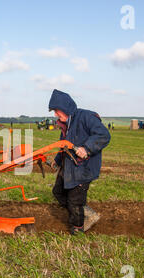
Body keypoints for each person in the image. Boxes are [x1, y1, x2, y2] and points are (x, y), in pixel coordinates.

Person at [48, 89, 111, 235]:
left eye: (57, 111)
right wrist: (57, 160)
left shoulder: (86, 117)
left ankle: (78, 228)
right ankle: (86, 212)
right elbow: (63, 144)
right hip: (69, 166)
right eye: (54, 112)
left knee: (74, 201)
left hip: (83, 168)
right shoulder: (66, 124)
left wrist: (87, 148)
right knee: (58, 192)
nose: (56, 115)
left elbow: (104, 135)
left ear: (66, 107)